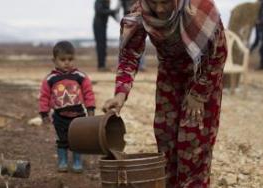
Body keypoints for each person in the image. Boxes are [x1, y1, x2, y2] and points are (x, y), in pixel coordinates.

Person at [102, 0, 227, 187]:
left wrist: (198, 94)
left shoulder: (200, 8)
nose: (159, 9)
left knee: (193, 142)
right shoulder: (139, 13)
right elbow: (129, 55)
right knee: (166, 138)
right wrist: (120, 94)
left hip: (202, 76)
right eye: (153, 2)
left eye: (165, 2)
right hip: (170, 76)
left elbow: (219, 53)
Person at [39, 41, 96, 173]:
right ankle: (63, 161)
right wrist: (44, 113)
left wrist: (91, 108)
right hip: (59, 116)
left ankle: (77, 162)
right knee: (62, 140)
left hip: (78, 116)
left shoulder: (80, 76)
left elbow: (88, 92)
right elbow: (44, 96)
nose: (67, 63)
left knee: (77, 140)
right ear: (54, 60)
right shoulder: (50, 79)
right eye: (62, 60)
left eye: (70, 59)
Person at [93, 0, 119, 71]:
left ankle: (102, 65)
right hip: (98, 26)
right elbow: (100, 11)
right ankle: (101, 66)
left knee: (103, 46)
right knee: (100, 46)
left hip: (103, 26)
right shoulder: (98, 1)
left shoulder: (106, 3)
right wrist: (113, 11)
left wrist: (119, 20)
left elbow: (110, 13)